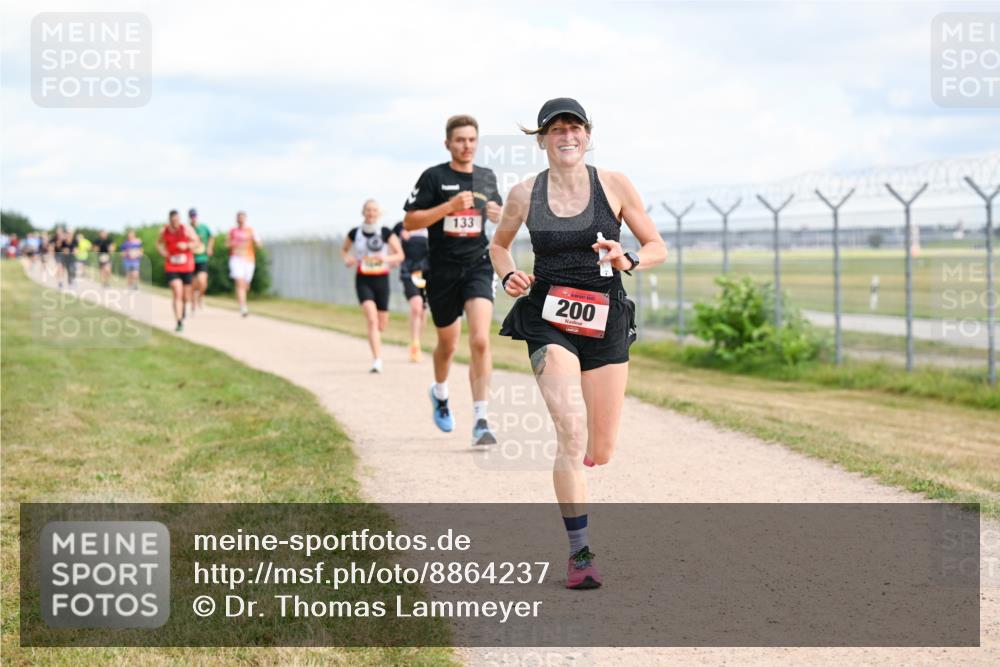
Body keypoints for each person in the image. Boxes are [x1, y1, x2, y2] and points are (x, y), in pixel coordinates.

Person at [489, 98, 667, 589]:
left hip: (606, 318)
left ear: (587, 135)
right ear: (541, 139)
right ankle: (580, 553)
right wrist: (508, 276)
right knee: (569, 432)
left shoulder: (613, 184)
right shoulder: (525, 193)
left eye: (574, 128)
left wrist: (628, 258)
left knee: (600, 448)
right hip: (549, 318)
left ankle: (587, 457)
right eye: (555, 129)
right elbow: (499, 244)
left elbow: (657, 246)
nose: (566, 136)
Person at [403, 114, 503, 446]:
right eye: (460, 140)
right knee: (447, 344)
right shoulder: (434, 177)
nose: (467, 146)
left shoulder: (486, 178)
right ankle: (441, 393)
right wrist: (447, 207)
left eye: (472, 139)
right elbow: (411, 221)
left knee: (479, 340)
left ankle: (481, 419)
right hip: (442, 271)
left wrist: (499, 215)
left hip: (477, 265)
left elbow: (502, 217)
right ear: (448, 143)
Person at [342, 200, 405, 373]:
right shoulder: (355, 233)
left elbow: (400, 255)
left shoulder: (385, 232)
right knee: (371, 318)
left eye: (374, 210)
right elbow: (344, 250)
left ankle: (377, 339)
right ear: (363, 212)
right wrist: (348, 259)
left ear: (378, 213)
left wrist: (386, 259)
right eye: (368, 210)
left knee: (381, 323)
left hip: (381, 279)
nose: (371, 213)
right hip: (363, 279)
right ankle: (377, 359)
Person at [392, 219, 430, 362]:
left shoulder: (432, 225)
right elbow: (392, 233)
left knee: (423, 310)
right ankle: (414, 344)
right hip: (408, 272)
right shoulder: (403, 226)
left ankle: (418, 342)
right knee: (416, 305)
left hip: (427, 272)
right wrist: (401, 232)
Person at [156, 210, 198, 332]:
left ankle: (183, 308)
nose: (175, 223)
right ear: (169, 220)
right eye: (173, 221)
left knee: (185, 296)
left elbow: (197, 242)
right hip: (172, 265)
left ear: (179, 219)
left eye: (177, 220)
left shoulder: (187, 229)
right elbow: (159, 244)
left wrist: (187, 246)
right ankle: (179, 321)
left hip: (187, 265)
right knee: (177, 291)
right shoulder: (164, 231)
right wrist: (163, 252)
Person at [226, 211, 261, 317]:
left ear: (245, 219)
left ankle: (242, 301)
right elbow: (227, 244)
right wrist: (234, 243)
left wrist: (254, 241)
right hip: (236, 259)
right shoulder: (232, 231)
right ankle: (243, 307)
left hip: (249, 259)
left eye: (242, 218)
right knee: (240, 283)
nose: (241, 219)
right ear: (236, 219)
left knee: (245, 285)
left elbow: (259, 245)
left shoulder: (251, 231)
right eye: (239, 218)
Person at [189, 208, 213, 313]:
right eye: (191, 216)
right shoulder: (188, 228)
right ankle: (193, 304)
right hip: (191, 259)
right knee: (193, 284)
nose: (193, 218)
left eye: (194, 215)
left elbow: (211, 237)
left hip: (202, 258)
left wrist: (209, 247)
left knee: (202, 282)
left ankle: (200, 297)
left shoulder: (204, 227)